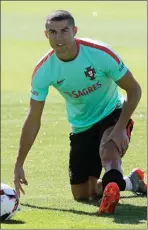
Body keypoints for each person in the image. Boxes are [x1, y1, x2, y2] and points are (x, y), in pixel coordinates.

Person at [13, 10, 147, 214]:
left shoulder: (99, 53)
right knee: (83, 194)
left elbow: (134, 89)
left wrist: (120, 127)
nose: (59, 38)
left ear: (74, 31)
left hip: (113, 111)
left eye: (64, 31)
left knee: (108, 151)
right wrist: (19, 163)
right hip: (81, 125)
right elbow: (33, 117)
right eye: (53, 32)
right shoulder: (44, 70)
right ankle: (130, 182)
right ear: (46, 35)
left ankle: (112, 192)